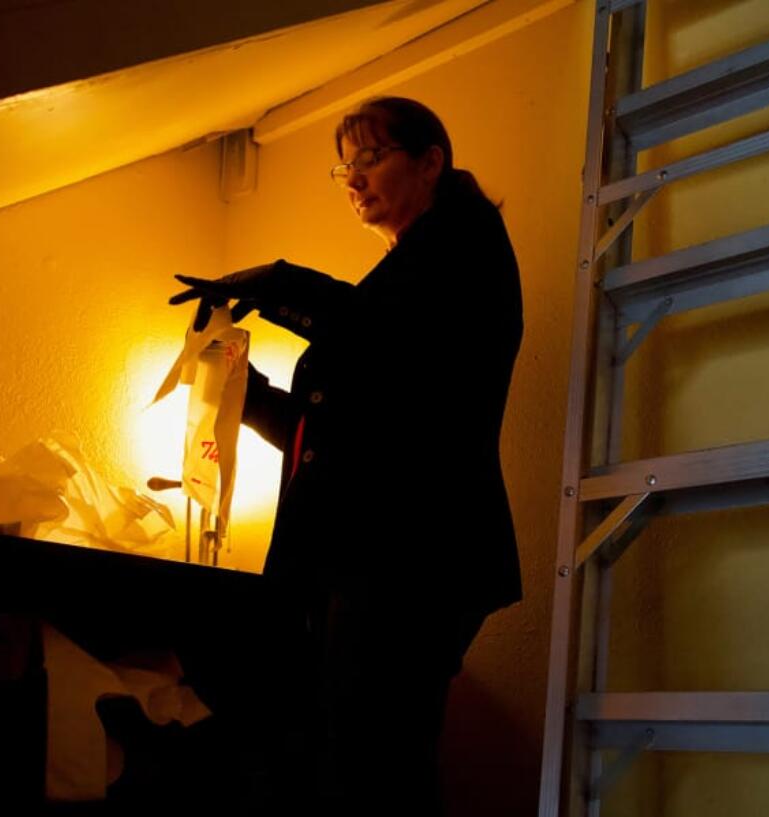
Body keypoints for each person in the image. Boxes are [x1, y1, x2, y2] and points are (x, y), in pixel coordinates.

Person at [170, 96, 523, 814]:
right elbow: (328, 430)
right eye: (346, 166)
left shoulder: (466, 247)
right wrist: (240, 386)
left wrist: (275, 282)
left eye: (370, 157)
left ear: (431, 162)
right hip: (367, 557)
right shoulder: (405, 274)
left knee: (371, 764)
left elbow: (393, 327)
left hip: (409, 557)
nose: (355, 179)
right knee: (342, 756)